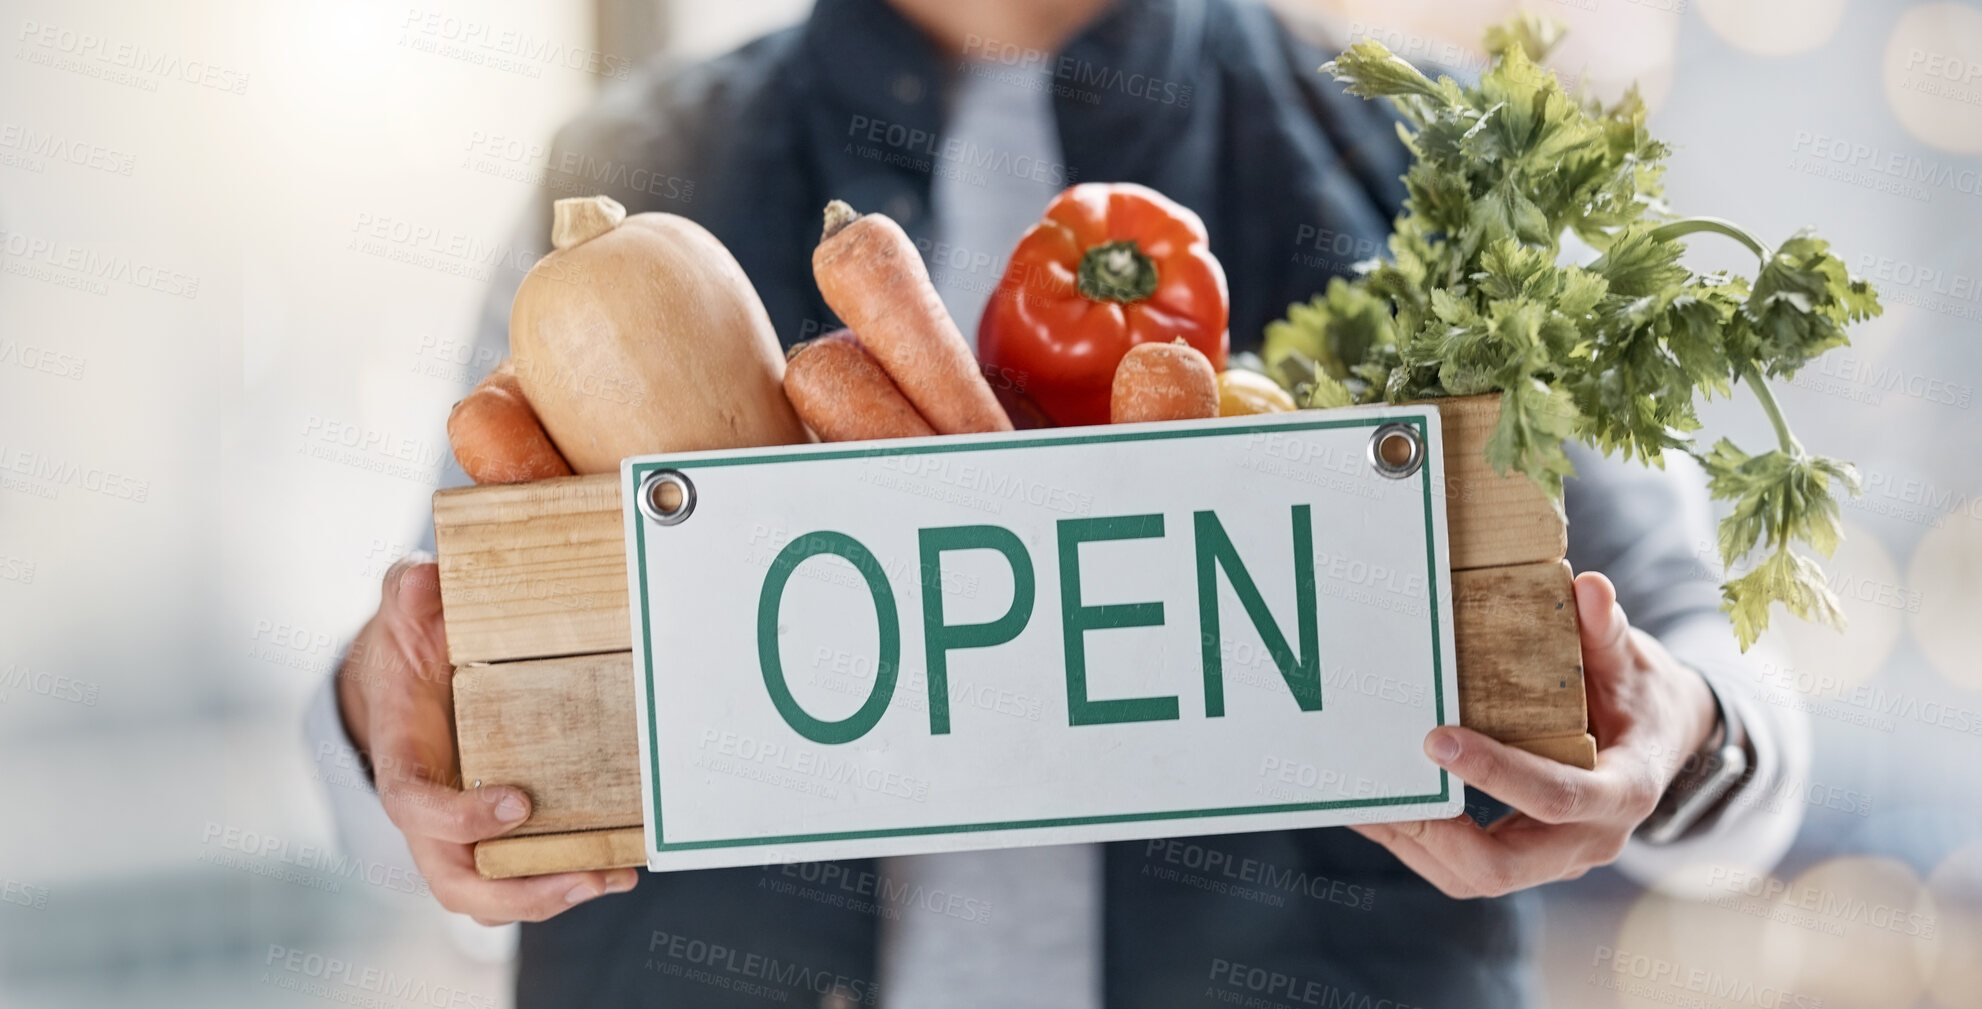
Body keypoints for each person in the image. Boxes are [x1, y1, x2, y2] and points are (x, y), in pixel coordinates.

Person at [307, 0, 1811, 1005]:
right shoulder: (631, 169)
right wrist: (400, 746)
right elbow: (439, 706)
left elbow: (1693, 674)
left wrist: (1672, 735)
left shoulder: (1425, 156)